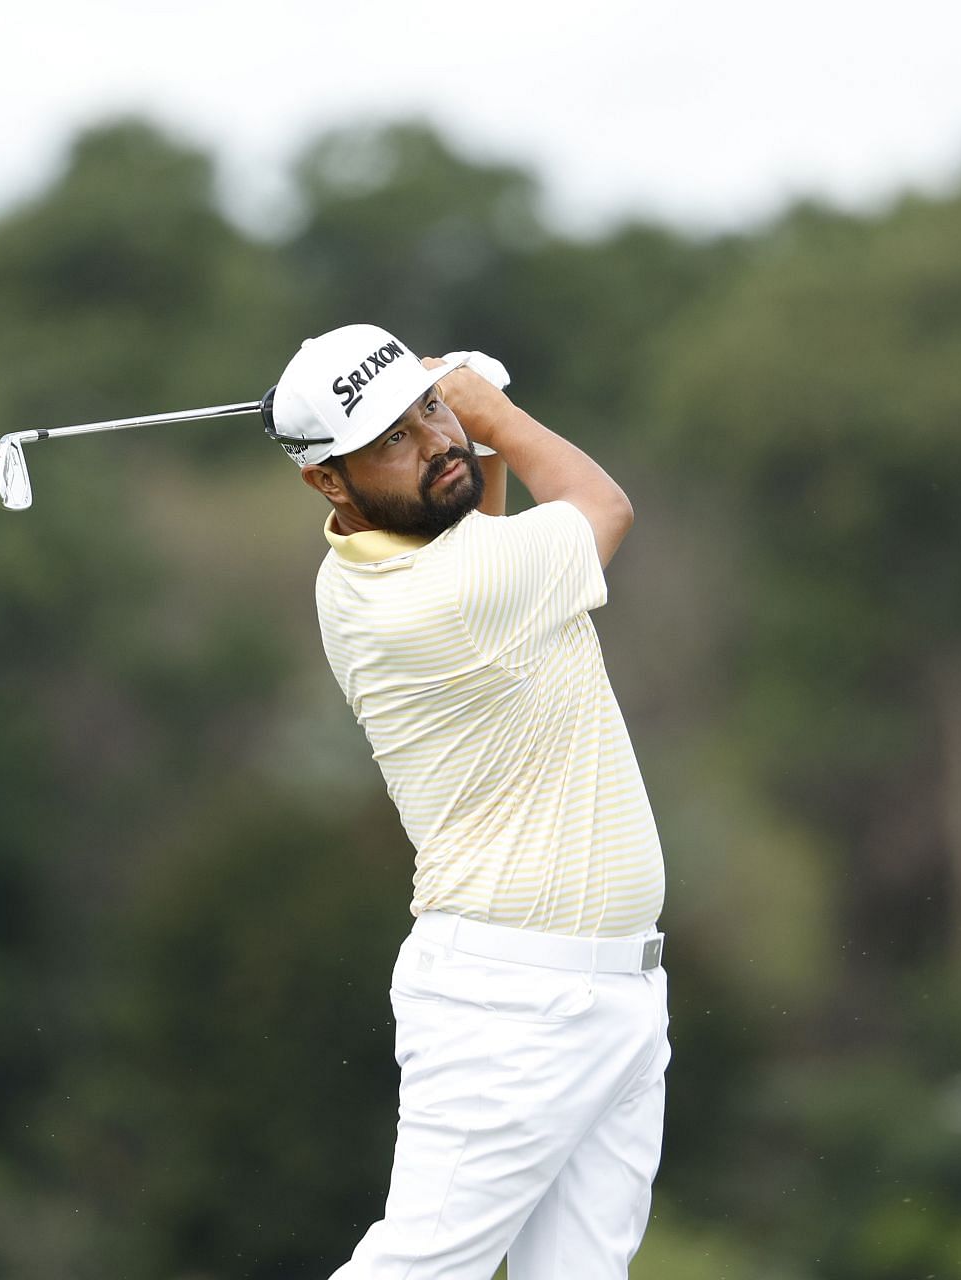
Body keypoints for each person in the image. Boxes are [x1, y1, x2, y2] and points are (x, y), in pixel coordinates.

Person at [266, 323, 670, 1278]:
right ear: (328, 481)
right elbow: (601, 506)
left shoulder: (369, 572)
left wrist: (467, 436)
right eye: (395, 439)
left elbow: (474, 531)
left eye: (430, 411)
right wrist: (490, 411)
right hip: (518, 1007)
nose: (435, 442)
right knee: (417, 1267)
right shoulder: (440, 600)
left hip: (607, 993)